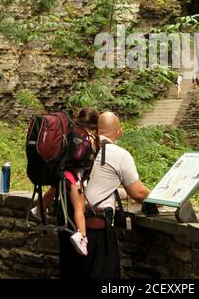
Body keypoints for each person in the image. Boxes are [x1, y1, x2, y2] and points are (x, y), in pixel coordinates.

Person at [58, 111, 150, 279]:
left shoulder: (80, 148)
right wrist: (157, 197)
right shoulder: (120, 155)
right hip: (96, 231)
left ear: (97, 130)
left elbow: (96, 184)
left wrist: (120, 194)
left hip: (68, 225)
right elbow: (138, 193)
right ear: (119, 132)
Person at [31, 107, 99, 256]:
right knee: (79, 207)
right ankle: (81, 237)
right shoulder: (87, 137)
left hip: (57, 170)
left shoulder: (68, 129)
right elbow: (81, 160)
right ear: (94, 125)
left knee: (53, 190)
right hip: (71, 175)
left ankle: (39, 209)